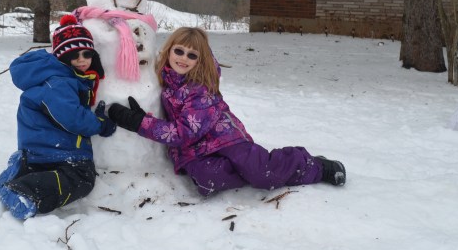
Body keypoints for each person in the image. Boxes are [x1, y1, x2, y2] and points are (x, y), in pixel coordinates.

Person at [108, 27, 346, 197]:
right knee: (206, 181)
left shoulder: (198, 89)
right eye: (179, 51)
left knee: (262, 173)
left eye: (192, 55)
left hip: (226, 140)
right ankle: (249, 172)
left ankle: (312, 165)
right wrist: (147, 116)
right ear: (169, 50)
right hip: (196, 152)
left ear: (200, 62)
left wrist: (139, 123)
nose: (183, 59)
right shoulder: (167, 83)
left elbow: (183, 133)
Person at [0, 15, 117, 219]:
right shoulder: (59, 83)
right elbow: (72, 118)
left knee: (53, 173)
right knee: (81, 179)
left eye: (87, 54)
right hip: (57, 150)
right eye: (74, 55)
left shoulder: (57, 78)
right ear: (61, 57)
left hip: (43, 149)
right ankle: (25, 193)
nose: (81, 60)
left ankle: (22, 171)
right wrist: (99, 124)